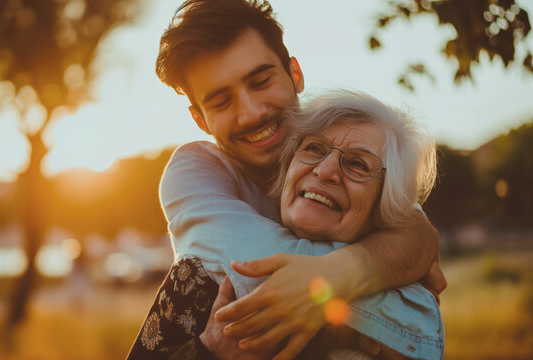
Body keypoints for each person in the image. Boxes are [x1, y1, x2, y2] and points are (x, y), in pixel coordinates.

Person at [126, 0, 446, 358]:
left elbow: (416, 231)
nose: (250, 113)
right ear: (200, 120)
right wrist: (374, 270)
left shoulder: (348, 144)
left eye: (260, 81)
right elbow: (259, 269)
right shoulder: (195, 171)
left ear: (295, 74)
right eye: (220, 102)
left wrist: (415, 240)